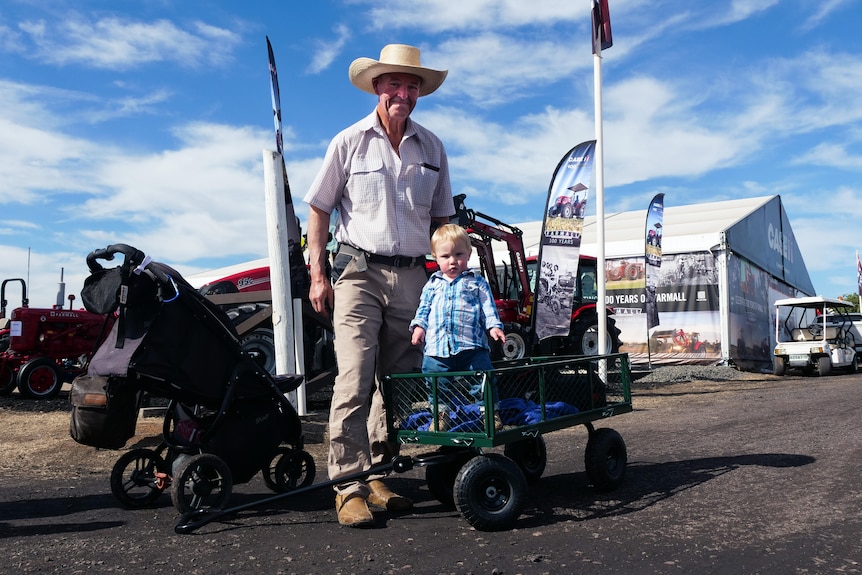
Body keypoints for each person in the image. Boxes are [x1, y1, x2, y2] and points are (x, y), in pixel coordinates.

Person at [304, 44, 455, 528]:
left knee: (397, 384)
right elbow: (319, 209)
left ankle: (378, 475)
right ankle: (346, 486)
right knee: (353, 377)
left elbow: (443, 220)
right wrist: (318, 275)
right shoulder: (347, 142)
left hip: (413, 276)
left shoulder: (432, 147)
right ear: (376, 86)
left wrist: (450, 283)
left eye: (413, 86)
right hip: (358, 274)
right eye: (395, 83)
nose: (403, 93)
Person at [410, 224, 506, 430]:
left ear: (469, 254)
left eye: (458, 254)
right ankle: (440, 416)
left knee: (482, 379)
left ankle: (490, 413)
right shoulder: (432, 284)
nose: (452, 261)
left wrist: (494, 327)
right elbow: (423, 309)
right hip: (437, 348)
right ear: (435, 258)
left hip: (471, 346)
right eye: (445, 256)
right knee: (437, 382)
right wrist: (419, 327)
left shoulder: (477, 282)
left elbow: (488, 307)